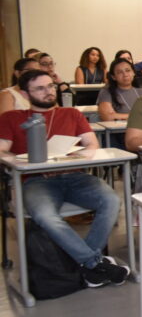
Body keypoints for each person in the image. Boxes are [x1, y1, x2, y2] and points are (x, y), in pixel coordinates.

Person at [0, 69, 129, 287]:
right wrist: (22, 161)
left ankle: (86, 264)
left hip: (75, 176)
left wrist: (73, 157)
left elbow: (92, 144)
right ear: (24, 93)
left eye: (50, 86)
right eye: (40, 88)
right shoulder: (12, 118)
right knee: (45, 216)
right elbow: (2, 151)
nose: (49, 92)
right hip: (36, 180)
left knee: (111, 200)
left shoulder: (71, 114)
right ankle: (93, 263)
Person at [97, 58, 142, 122]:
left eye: (128, 70)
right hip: (119, 128)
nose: (125, 75)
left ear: (133, 73)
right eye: (119, 72)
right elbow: (108, 117)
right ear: (113, 77)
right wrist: (140, 116)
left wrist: (119, 116)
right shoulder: (106, 92)